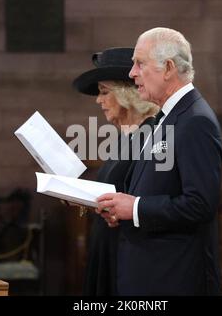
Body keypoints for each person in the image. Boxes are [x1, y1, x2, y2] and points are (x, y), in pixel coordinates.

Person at [96, 28, 222, 295]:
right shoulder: (170, 115)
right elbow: (155, 187)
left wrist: (134, 208)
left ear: (168, 68)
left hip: (173, 279)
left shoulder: (195, 121)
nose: (132, 73)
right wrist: (121, 211)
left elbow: (201, 204)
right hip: (150, 275)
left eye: (139, 63)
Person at [72, 47, 159, 295]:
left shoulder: (151, 135)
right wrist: (73, 195)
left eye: (103, 92)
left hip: (128, 255)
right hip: (109, 248)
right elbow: (115, 192)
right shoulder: (125, 137)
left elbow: (144, 199)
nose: (98, 100)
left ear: (126, 94)